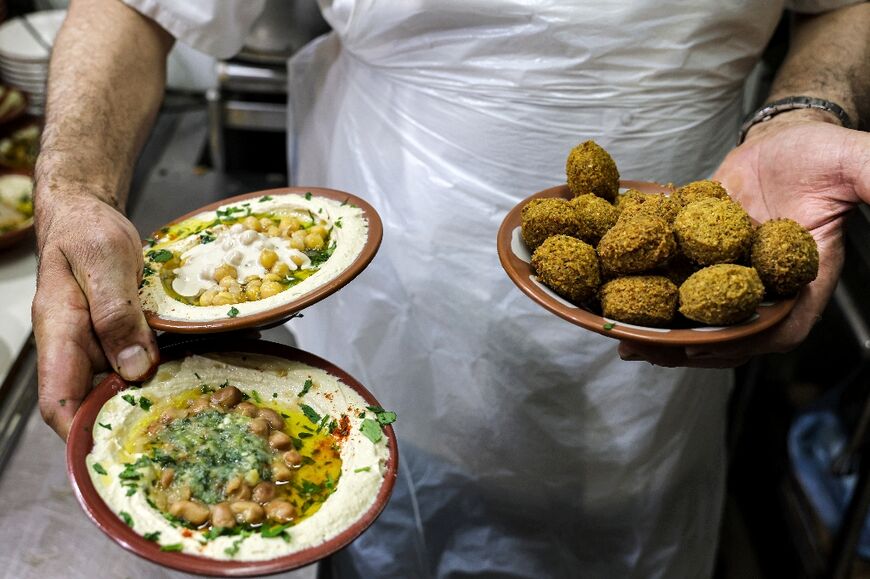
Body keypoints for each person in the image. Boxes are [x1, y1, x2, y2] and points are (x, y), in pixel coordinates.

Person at [32, 0, 869, 576]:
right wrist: (72, 191)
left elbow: (838, 6)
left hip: (666, 329)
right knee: (380, 529)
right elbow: (134, 7)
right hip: (387, 319)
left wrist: (806, 110)